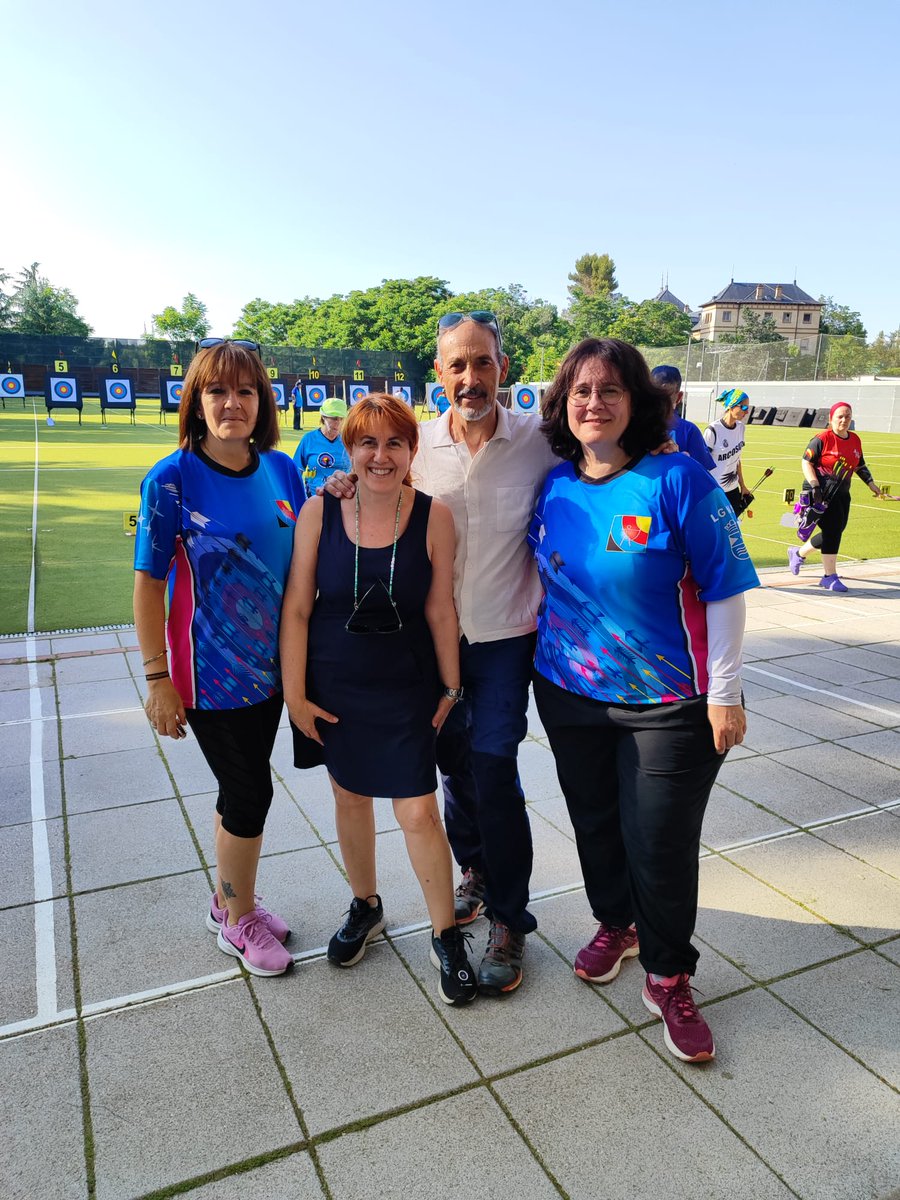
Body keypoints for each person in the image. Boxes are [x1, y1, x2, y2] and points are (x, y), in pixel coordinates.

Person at [529, 337, 759, 1063]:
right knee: (596, 825)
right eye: (581, 392)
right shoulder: (554, 485)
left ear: (637, 401)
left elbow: (725, 589)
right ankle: (616, 925)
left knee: (657, 843)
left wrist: (725, 693)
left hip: (671, 706)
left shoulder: (680, 479)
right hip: (567, 694)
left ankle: (668, 975)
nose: (594, 403)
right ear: (565, 405)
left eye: (610, 390)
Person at [326, 312, 559, 997]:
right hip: (426, 644)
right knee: (455, 770)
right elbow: (373, 479)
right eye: (456, 366)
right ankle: (478, 876)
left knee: (492, 764)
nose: (470, 377)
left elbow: (607, 461)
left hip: (504, 640)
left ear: (503, 368)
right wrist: (342, 484)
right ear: (439, 375)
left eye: (482, 363)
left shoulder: (539, 445)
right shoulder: (418, 446)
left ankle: (511, 920)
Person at [279, 394, 477, 1006]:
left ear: (411, 451)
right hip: (334, 686)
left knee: (418, 812)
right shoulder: (320, 510)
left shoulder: (433, 516)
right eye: (367, 442)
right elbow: (298, 609)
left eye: (395, 442)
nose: (380, 455)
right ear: (349, 449)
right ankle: (366, 907)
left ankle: (446, 936)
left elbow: (441, 608)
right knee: (349, 795)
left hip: (408, 685)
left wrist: (451, 685)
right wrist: (295, 697)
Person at [133, 339, 306, 977]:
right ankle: (236, 921)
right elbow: (149, 584)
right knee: (248, 791)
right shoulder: (170, 478)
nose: (231, 403)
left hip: (272, 671)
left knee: (243, 790)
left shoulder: (283, 469)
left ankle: (232, 897)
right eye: (217, 392)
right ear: (196, 401)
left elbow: (305, 544)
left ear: (262, 401)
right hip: (205, 676)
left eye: (245, 391)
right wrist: (157, 680)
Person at [787, 402, 885, 591]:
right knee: (832, 530)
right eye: (840, 416)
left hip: (841, 492)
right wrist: (815, 485)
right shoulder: (822, 438)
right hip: (819, 492)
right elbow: (806, 462)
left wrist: (872, 485)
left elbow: (859, 465)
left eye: (847, 416)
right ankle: (829, 576)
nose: (844, 420)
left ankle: (798, 554)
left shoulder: (855, 439)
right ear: (831, 418)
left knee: (836, 530)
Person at [650, 365, 715, 471]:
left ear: (679, 397)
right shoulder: (632, 426)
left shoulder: (689, 431)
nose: (658, 403)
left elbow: (702, 472)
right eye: (654, 396)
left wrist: (683, 462)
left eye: (664, 398)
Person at [703, 387, 752, 513]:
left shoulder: (741, 427)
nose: (746, 412)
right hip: (715, 491)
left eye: (747, 408)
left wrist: (743, 486)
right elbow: (702, 464)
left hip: (733, 490)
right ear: (731, 406)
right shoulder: (713, 430)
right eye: (743, 408)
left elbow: (736, 460)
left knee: (732, 529)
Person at [293, 398, 351, 497]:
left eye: (341, 418)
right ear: (323, 417)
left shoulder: (348, 441)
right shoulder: (309, 439)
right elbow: (296, 471)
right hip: (315, 499)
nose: (338, 423)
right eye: (334, 418)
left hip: (343, 499)